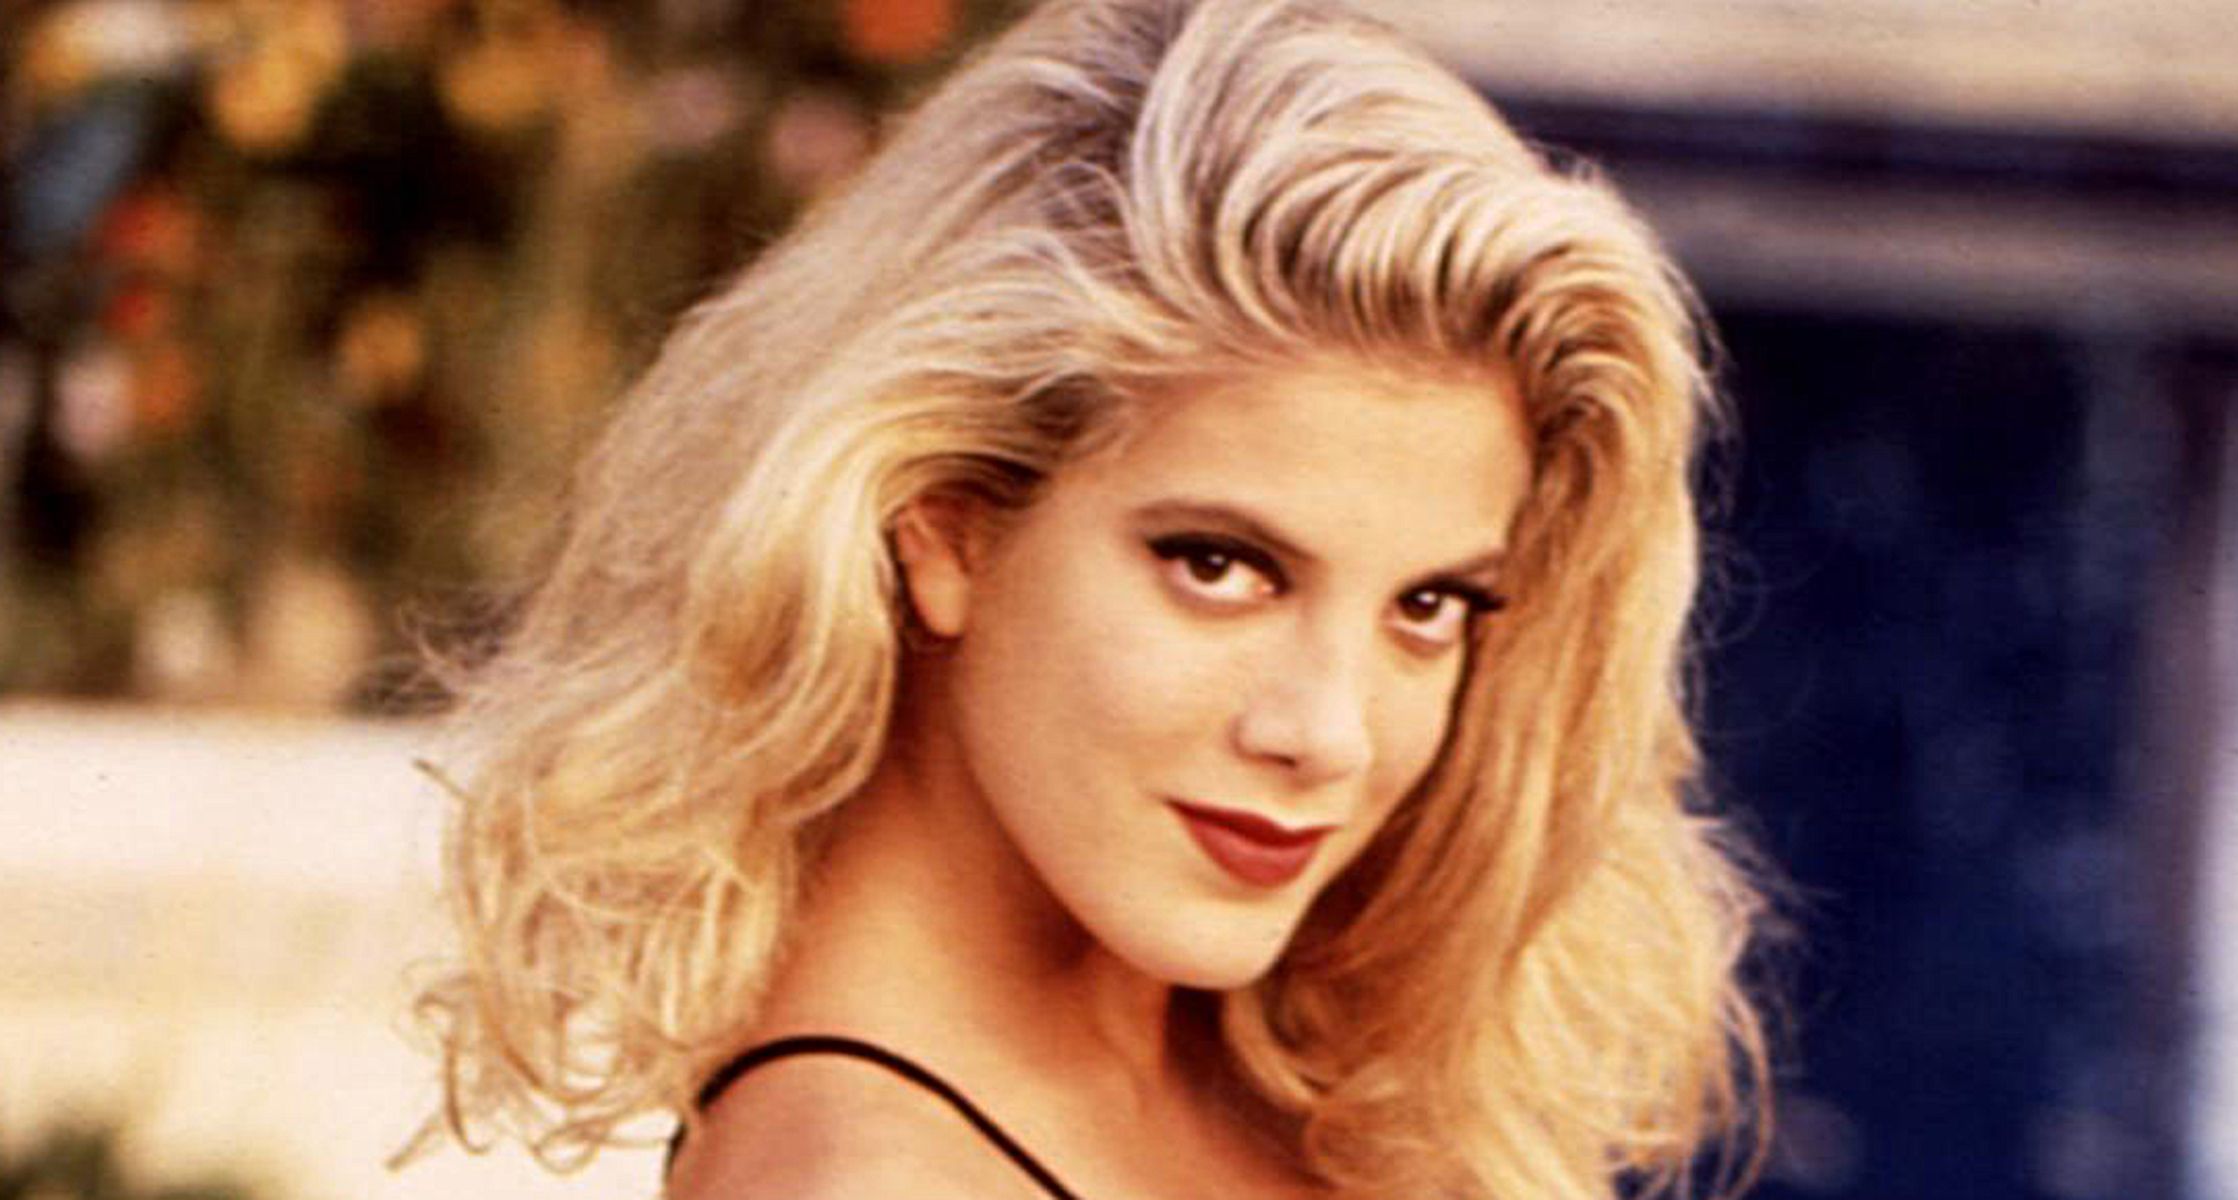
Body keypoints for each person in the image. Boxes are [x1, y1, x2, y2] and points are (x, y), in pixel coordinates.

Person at [410, 0, 1773, 1196]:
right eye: (1220, 567)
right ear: (945, 526)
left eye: (1428, 607)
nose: (1329, 734)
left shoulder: (1284, 1085)